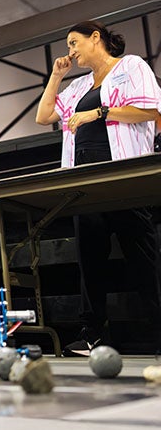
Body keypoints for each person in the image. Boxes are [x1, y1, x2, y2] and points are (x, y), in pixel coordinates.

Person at [36, 20, 161, 356]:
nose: (71, 52)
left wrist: (99, 113)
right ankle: (92, 333)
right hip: (84, 182)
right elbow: (44, 115)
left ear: (96, 38)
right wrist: (56, 77)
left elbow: (151, 109)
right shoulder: (77, 87)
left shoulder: (131, 65)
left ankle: (157, 327)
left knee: (143, 257)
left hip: (123, 176)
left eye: (74, 43)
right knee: (90, 260)